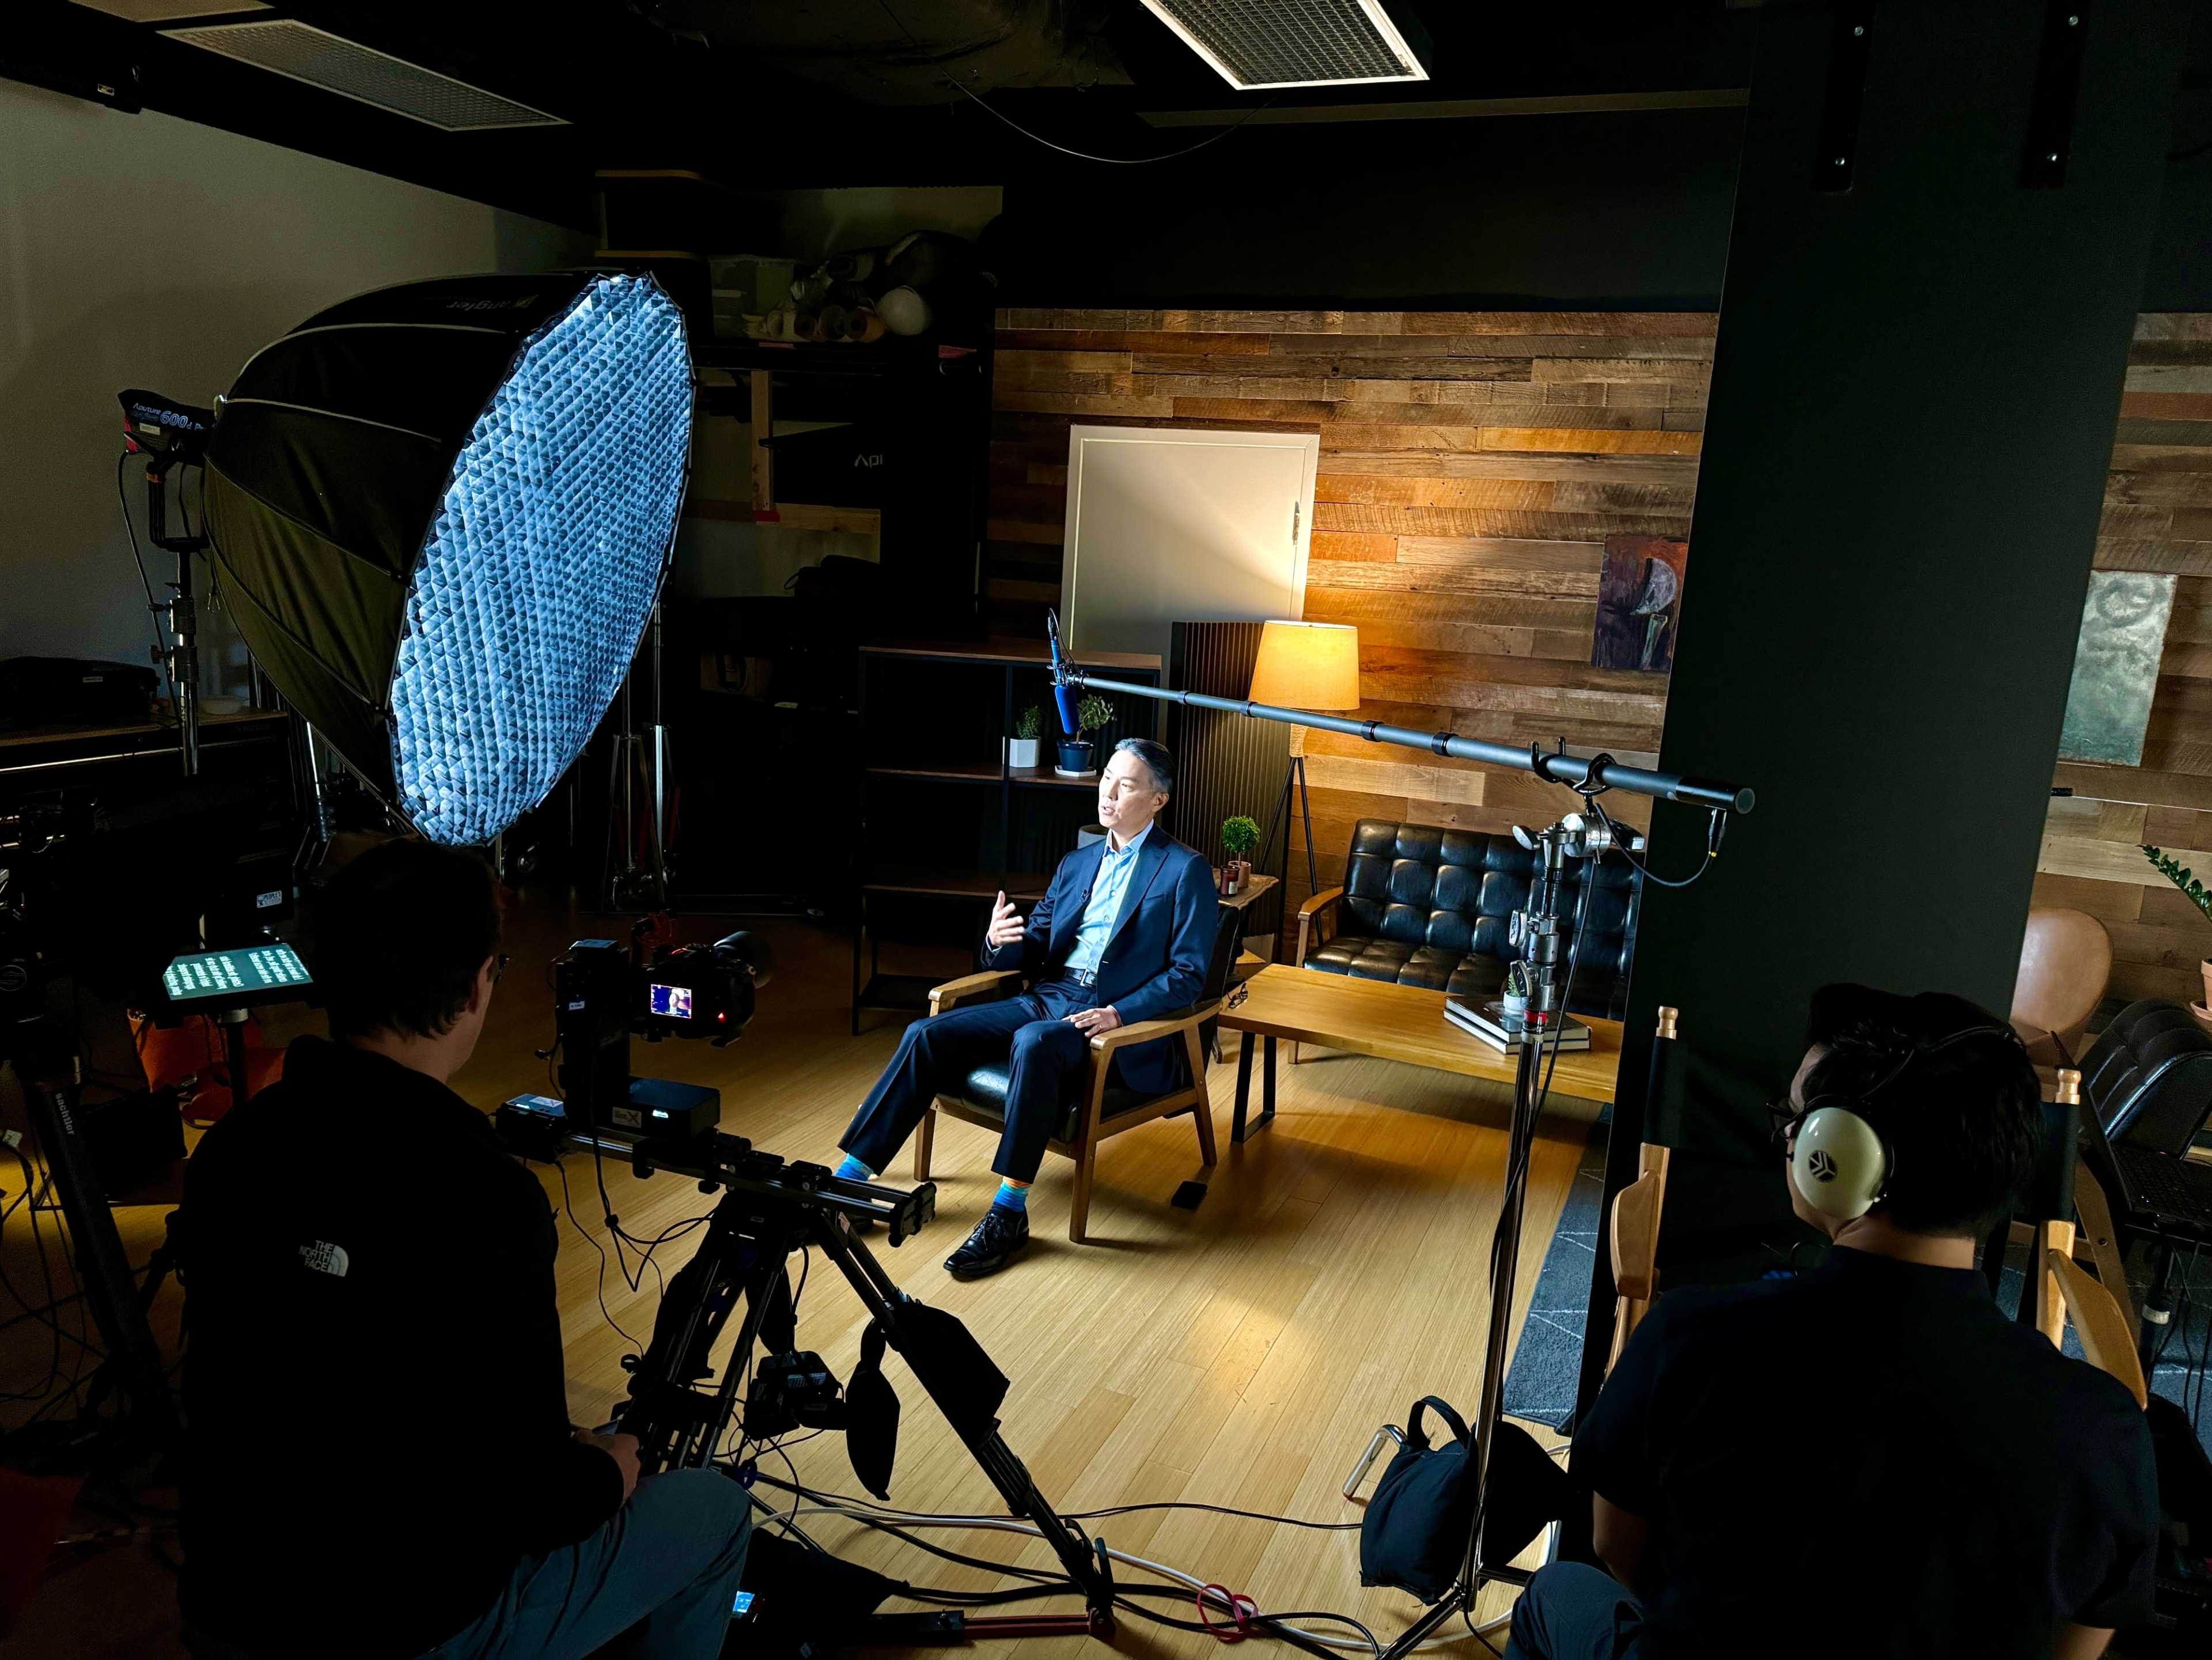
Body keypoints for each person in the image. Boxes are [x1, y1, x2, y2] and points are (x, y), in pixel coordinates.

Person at [179, 840, 752, 1660]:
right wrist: (608, 1469)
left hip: (227, 1609)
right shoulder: (481, 1197)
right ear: (482, 982)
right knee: (716, 1514)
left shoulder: (233, 1149)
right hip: (409, 1626)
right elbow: (533, 1503)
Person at [1508, 984, 2161, 1660]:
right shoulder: (2103, 1429)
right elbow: (2077, 1644)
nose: (1786, 1137)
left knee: (1554, 1595)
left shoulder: (1690, 1340)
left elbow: (1617, 1544)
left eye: (1793, 1119)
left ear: (1836, 1157)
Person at [835, 736, 1218, 1277]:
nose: (1108, 791)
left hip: (1107, 1015)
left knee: (1034, 1043)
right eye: (1107, 776)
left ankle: (1009, 1213)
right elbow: (1034, 945)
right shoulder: (1078, 861)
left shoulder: (1184, 870)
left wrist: (1120, 1013)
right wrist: (999, 941)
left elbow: (1188, 975)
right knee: (926, 1032)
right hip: (1050, 995)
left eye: (1126, 784)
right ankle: (851, 1179)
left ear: (1158, 800)